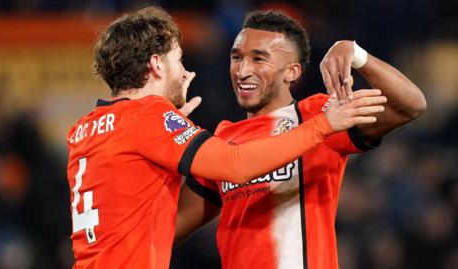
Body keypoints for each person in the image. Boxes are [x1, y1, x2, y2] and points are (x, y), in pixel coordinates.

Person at [65, 6, 385, 269]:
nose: (186, 72)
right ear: (156, 65)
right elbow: (236, 164)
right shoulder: (147, 119)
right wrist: (323, 124)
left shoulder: (84, 129)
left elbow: (134, 200)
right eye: (178, 60)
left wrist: (170, 126)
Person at [175, 10, 426, 269]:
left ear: (292, 72)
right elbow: (169, 230)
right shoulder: (223, 140)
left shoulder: (322, 115)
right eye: (236, 57)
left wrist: (356, 54)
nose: (243, 70)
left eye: (259, 59)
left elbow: (410, 105)